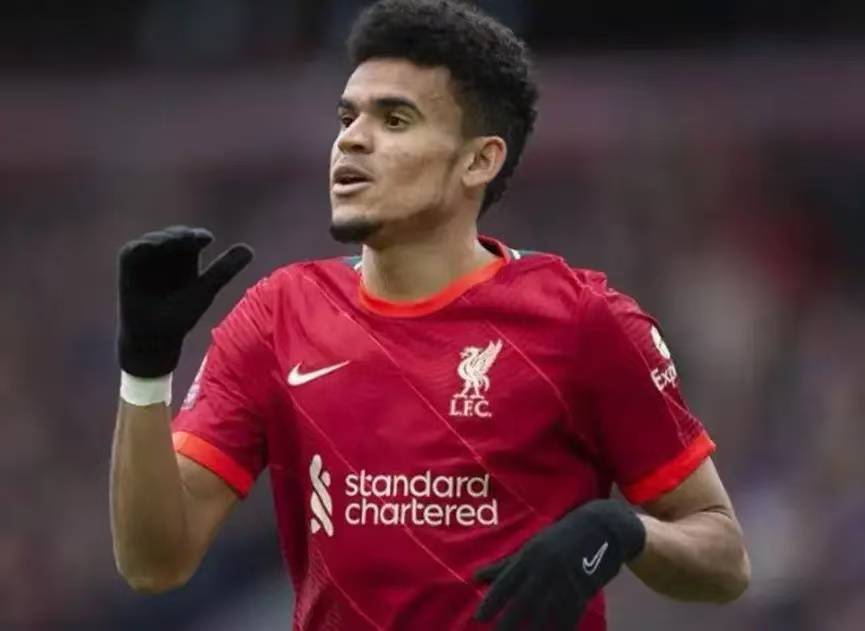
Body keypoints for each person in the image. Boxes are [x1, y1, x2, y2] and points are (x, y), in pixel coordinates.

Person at [109, 1, 750, 629]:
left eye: (395, 120)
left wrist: (623, 531)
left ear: (478, 160)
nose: (352, 139)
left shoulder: (582, 321)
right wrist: (145, 371)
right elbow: (153, 564)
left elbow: (724, 557)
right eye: (347, 116)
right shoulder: (278, 316)